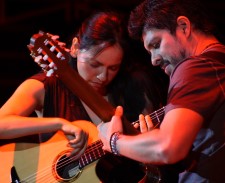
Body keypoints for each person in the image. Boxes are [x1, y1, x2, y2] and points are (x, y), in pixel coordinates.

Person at [0, 11, 166, 182]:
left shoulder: (134, 91)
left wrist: (150, 146)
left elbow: (152, 174)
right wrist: (60, 124)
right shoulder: (46, 86)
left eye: (113, 68)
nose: (102, 76)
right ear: (75, 47)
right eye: (95, 64)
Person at [97, 0, 225, 182]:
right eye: (149, 53)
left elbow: (167, 147)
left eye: (156, 45)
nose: (154, 60)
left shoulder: (194, 67)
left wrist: (114, 141)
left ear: (183, 26)